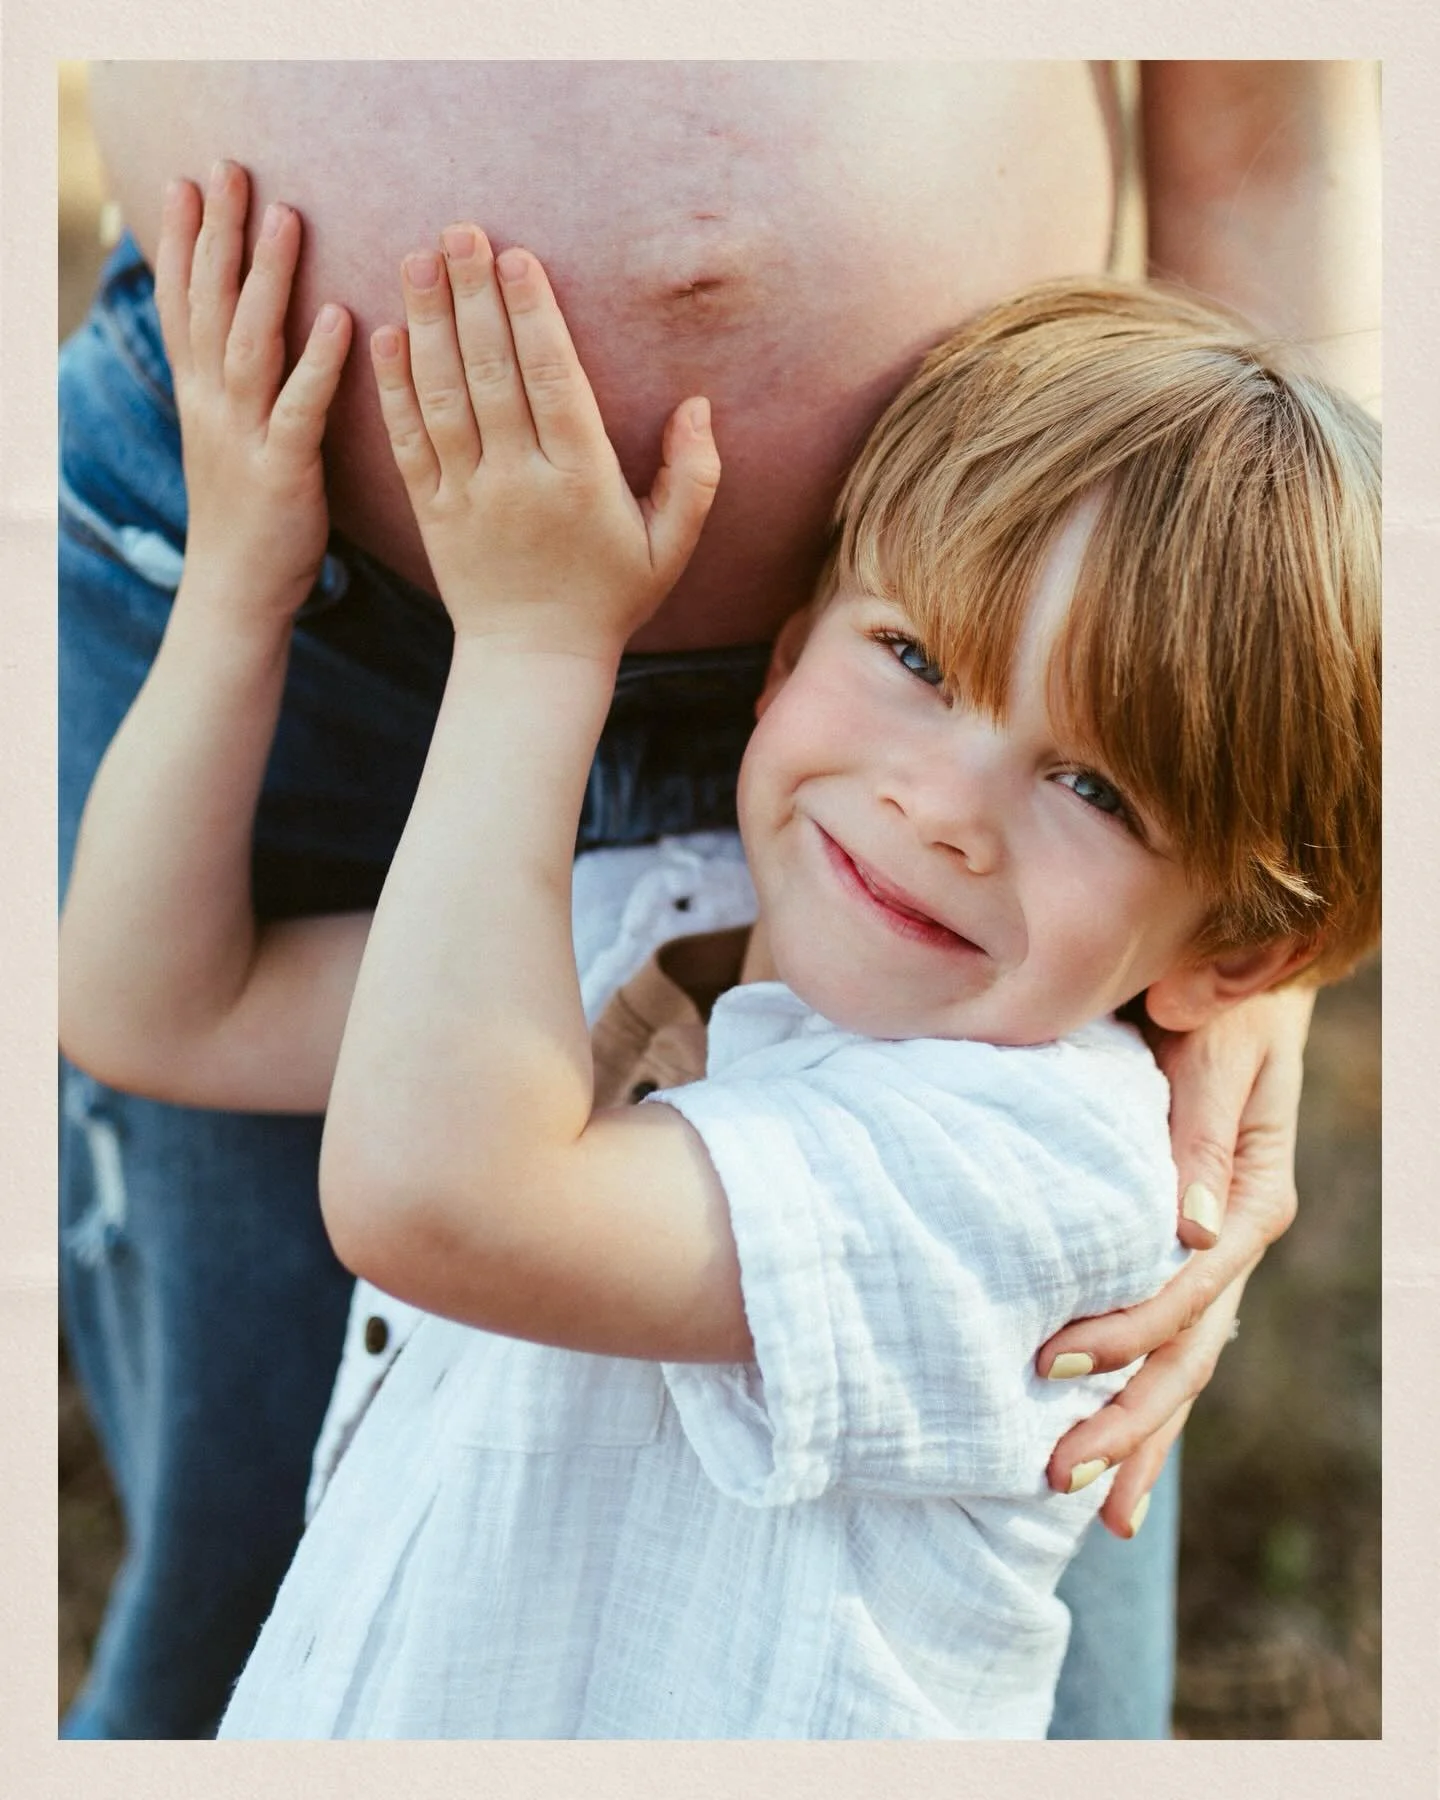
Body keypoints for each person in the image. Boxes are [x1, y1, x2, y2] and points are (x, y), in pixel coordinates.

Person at [58, 62, 1380, 1738]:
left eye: (1095, 788)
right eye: (917, 664)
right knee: (216, 1567)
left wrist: (536, 648)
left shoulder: (1031, 1178)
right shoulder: (669, 926)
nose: (940, 807)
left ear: (1241, 945)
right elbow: (155, 1013)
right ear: (792, 660)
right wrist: (243, 576)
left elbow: (438, 1202)